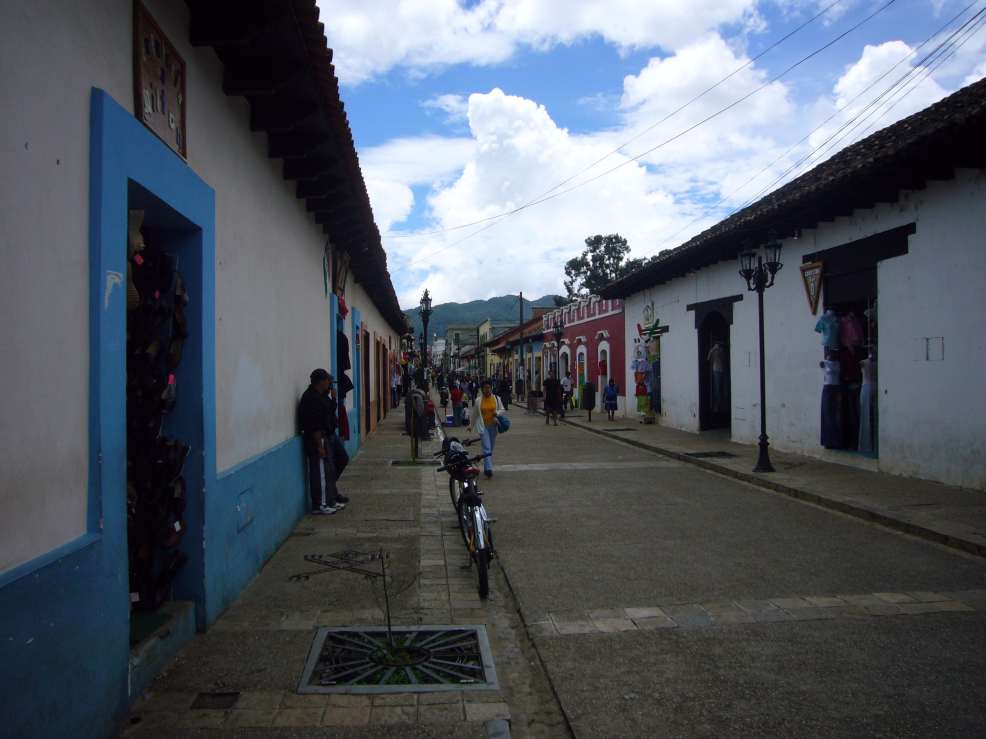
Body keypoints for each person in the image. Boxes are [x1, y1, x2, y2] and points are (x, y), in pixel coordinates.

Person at [298, 369, 349, 515]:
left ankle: (330, 497)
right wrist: (320, 446)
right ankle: (320, 504)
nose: (329, 383)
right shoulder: (311, 399)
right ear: (321, 382)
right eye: (328, 380)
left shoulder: (322, 396)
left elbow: (329, 412)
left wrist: (333, 398)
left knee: (331, 468)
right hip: (317, 439)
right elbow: (314, 425)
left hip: (327, 435)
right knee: (320, 473)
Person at [472, 380, 505, 478]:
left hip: (493, 426)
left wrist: (497, 413)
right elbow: (475, 414)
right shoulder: (478, 401)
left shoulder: (496, 399)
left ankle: (487, 464)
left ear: (491, 388)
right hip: (483, 427)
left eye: (489, 388)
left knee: (490, 447)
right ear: (482, 389)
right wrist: (471, 425)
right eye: (485, 388)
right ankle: (488, 469)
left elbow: (502, 410)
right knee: (487, 447)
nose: (487, 390)